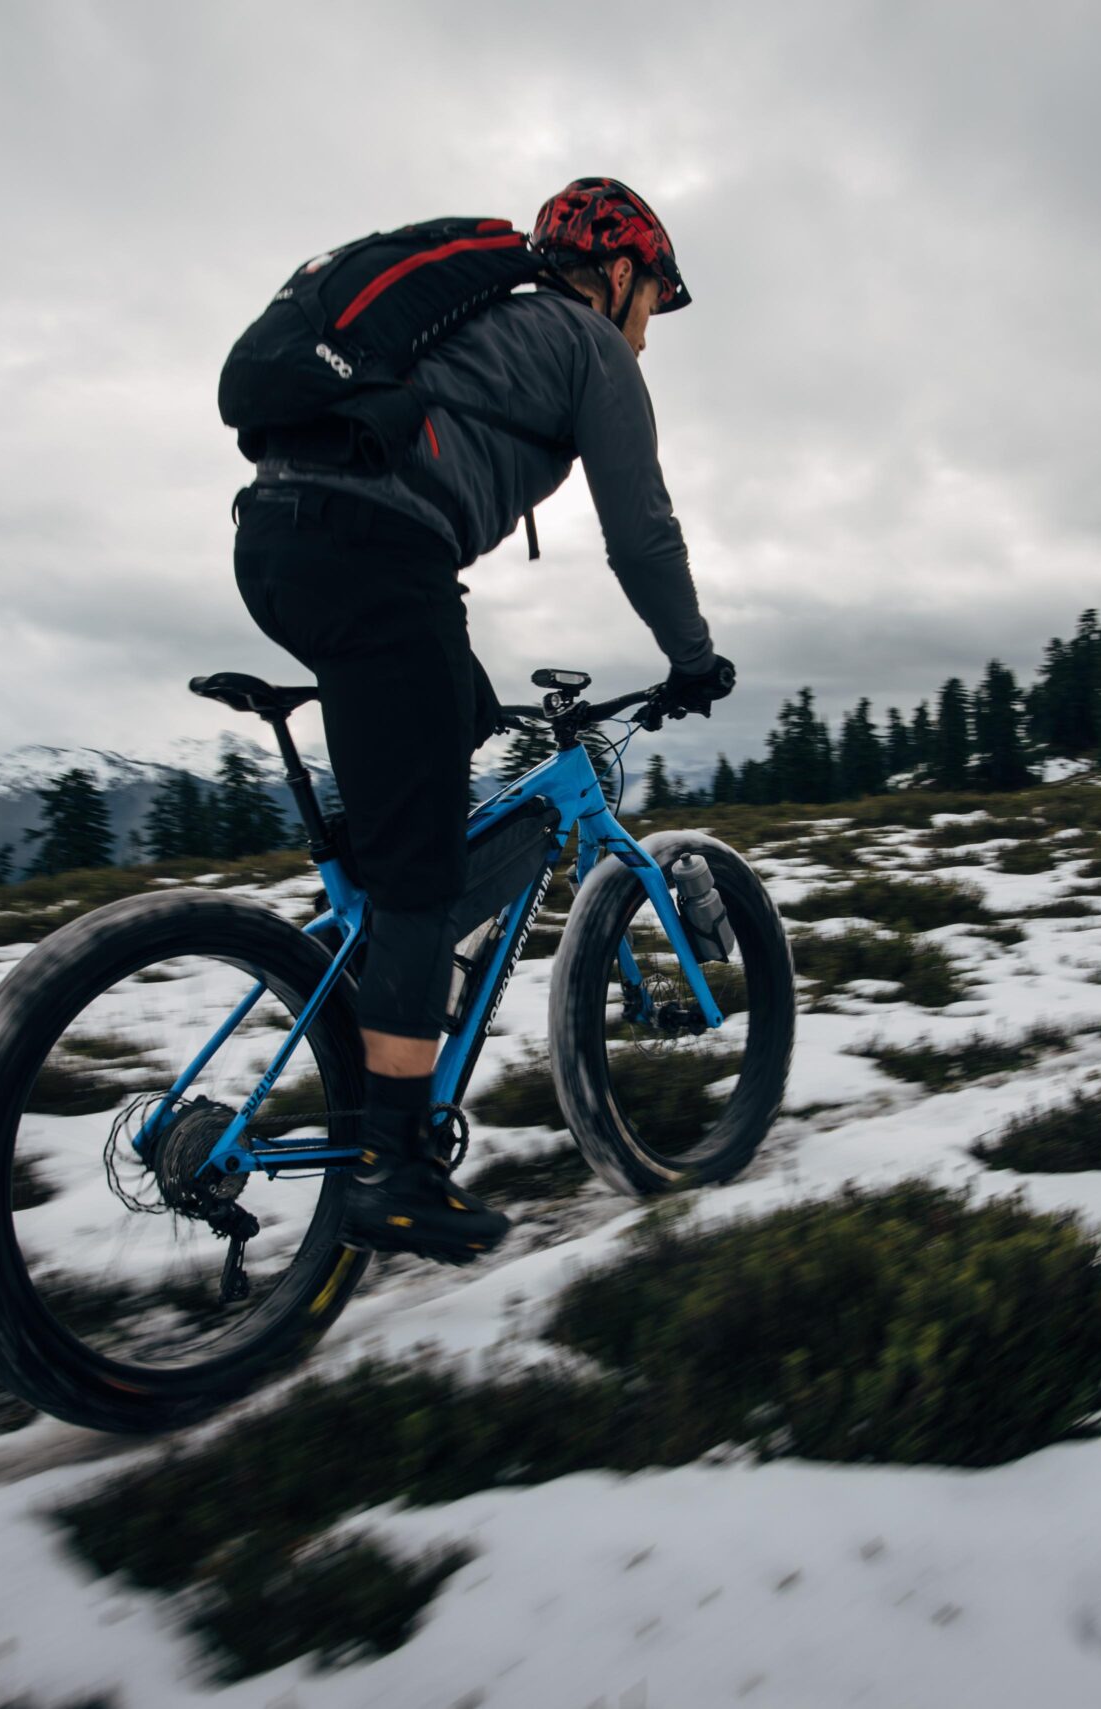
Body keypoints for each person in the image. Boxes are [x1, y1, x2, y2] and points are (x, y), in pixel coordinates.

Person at [231, 177, 735, 1263]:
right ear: (617, 275)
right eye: (652, 299)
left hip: (280, 536)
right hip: (375, 551)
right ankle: (393, 1165)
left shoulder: (482, 317)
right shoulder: (587, 345)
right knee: (418, 881)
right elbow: (642, 534)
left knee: (462, 716)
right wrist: (692, 657)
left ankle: (382, 969)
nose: (647, 331)